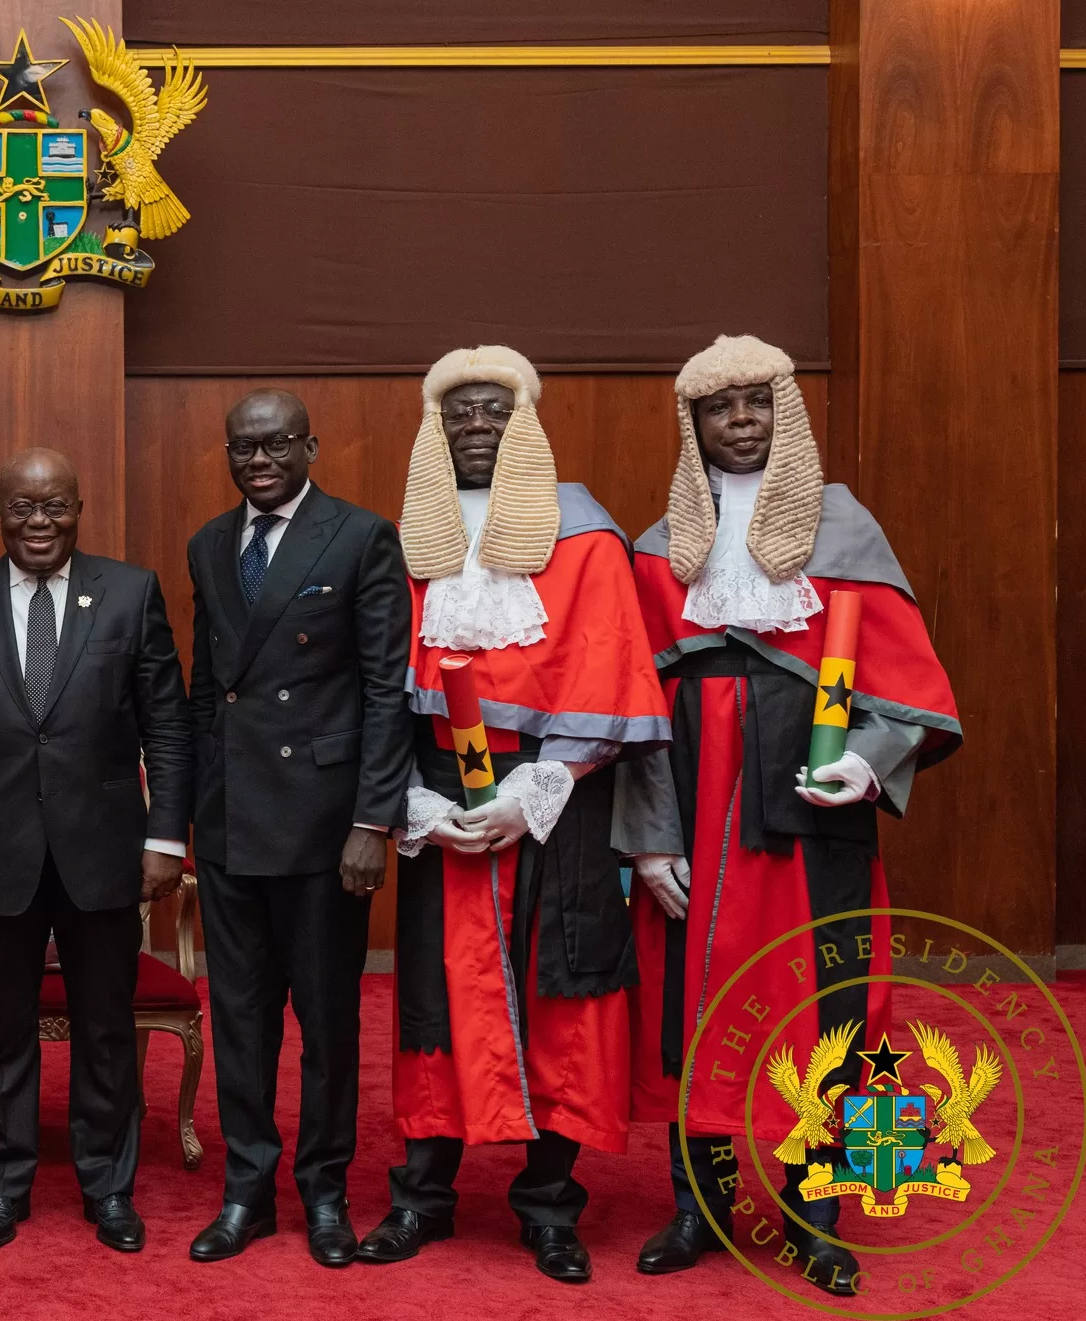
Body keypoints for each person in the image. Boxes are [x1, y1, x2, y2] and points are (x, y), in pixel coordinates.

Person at [619, 335, 960, 1293]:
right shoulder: (656, 555)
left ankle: (818, 1216)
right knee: (697, 1011)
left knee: (830, 1011)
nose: (740, 421)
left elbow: (915, 691)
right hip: (694, 824)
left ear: (785, 414)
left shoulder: (843, 532)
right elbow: (633, 717)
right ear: (693, 426)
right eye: (719, 408)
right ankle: (700, 1205)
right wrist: (647, 841)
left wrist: (868, 757)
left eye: (757, 403)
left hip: (811, 829)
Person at [364, 346, 668, 1283]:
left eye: (494, 409)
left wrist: (531, 791)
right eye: (458, 412)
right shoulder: (409, 540)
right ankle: (423, 1194)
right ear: (435, 428)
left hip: (551, 796)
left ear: (526, 418)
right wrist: (415, 799)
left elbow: (608, 665)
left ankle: (548, 1207)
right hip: (438, 795)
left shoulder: (584, 536)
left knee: (561, 993)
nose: (477, 425)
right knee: (433, 998)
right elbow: (376, 681)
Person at [0, 448, 191, 1254]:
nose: (40, 522)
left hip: (106, 853)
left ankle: (108, 1186)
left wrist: (166, 835)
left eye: (56, 507)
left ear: (78, 507)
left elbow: (168, 727)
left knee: (107, 1029)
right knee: (0, 1029)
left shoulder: (130, 593)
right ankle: (3, 1184)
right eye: (24, 508)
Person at [184, 388, 412, 1267]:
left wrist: (372, 820)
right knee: (241, 1020)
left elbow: (385, 687)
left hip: (325, 829)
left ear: (310, 445)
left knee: (326, 1021)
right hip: (235, 822)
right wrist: (197, 812)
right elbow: (209, 691)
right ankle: (248, 1190)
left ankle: (325, 1192)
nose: (259, 459)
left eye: (276, 443)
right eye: (242, 447)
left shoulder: (359, 536)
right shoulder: (210, 543)